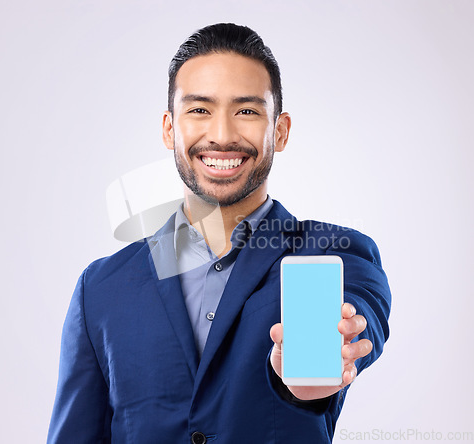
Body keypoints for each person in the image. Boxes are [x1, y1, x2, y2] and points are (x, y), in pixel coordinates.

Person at [47, 23, 391, 444]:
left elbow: (359, 316)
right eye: (199, 110)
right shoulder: (101, 288)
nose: (223, 136)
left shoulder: (336, 254)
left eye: (246, 111)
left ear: (279, 131)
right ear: (169, 128)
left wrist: (316, 371)